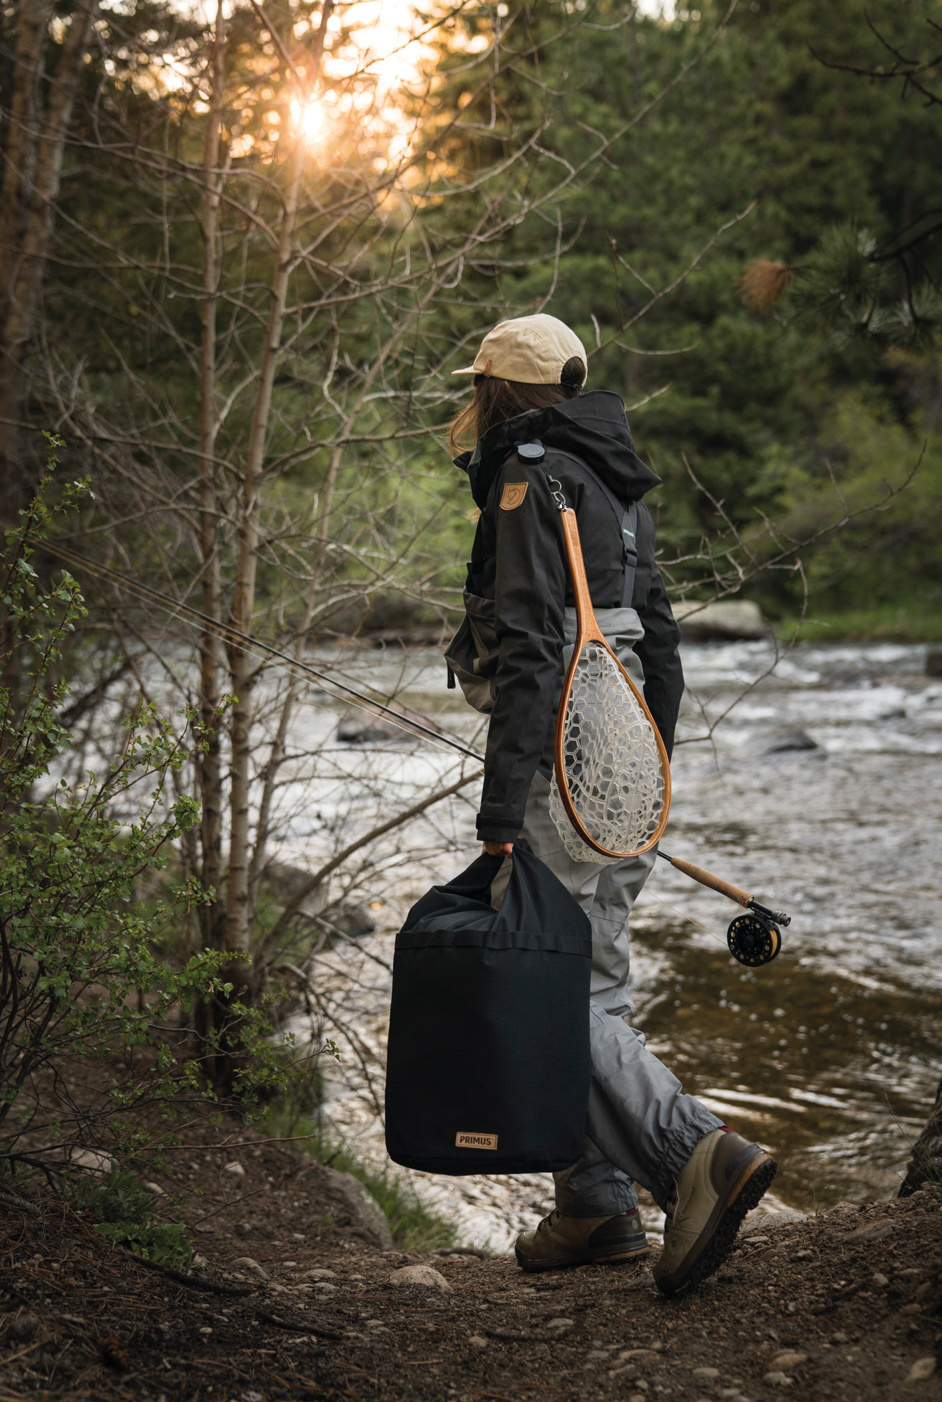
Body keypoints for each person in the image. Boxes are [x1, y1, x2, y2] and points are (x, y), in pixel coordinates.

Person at [445, 312, 776, 1296]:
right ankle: (596, 1206)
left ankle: (692, 1153)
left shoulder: (525, 470)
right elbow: (661, 632)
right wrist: (646, 765)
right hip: (625, 740)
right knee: (593, 984)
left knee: (532, 980)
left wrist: (502, 809)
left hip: (560, 743)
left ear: (503, 389)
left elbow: (532, 648)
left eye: (481, 386)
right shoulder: (617, 475)